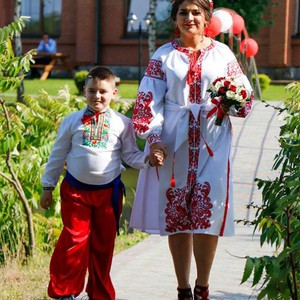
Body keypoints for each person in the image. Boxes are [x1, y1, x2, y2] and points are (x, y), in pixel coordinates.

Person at [129, 1, 254, 299]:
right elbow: (148, 100)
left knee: (207, 214)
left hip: (213, 142)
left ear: (207, 18)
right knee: (178, 216)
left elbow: (244, 96)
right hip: (175, 144)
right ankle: (183, 287)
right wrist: (154, 138)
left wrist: (232, 102)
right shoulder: (163, 56)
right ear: (175, 18)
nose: (190, 18)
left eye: (196, 12)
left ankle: (203, 285)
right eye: (183, 12)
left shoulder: (223, 53)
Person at [40, 66, 158, 300]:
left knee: (103, 246)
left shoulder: (123, 123)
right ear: (84, 91)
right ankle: (66, 292)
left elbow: (131, 155)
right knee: (75, 239)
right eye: (92, 90)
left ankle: (99, 293)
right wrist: (47, 186)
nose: (97, 96)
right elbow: (57, 155)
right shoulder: (71, 121)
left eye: (103, 91)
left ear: (114, 93)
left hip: (108, 193)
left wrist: (149, 160)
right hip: (75, 191)